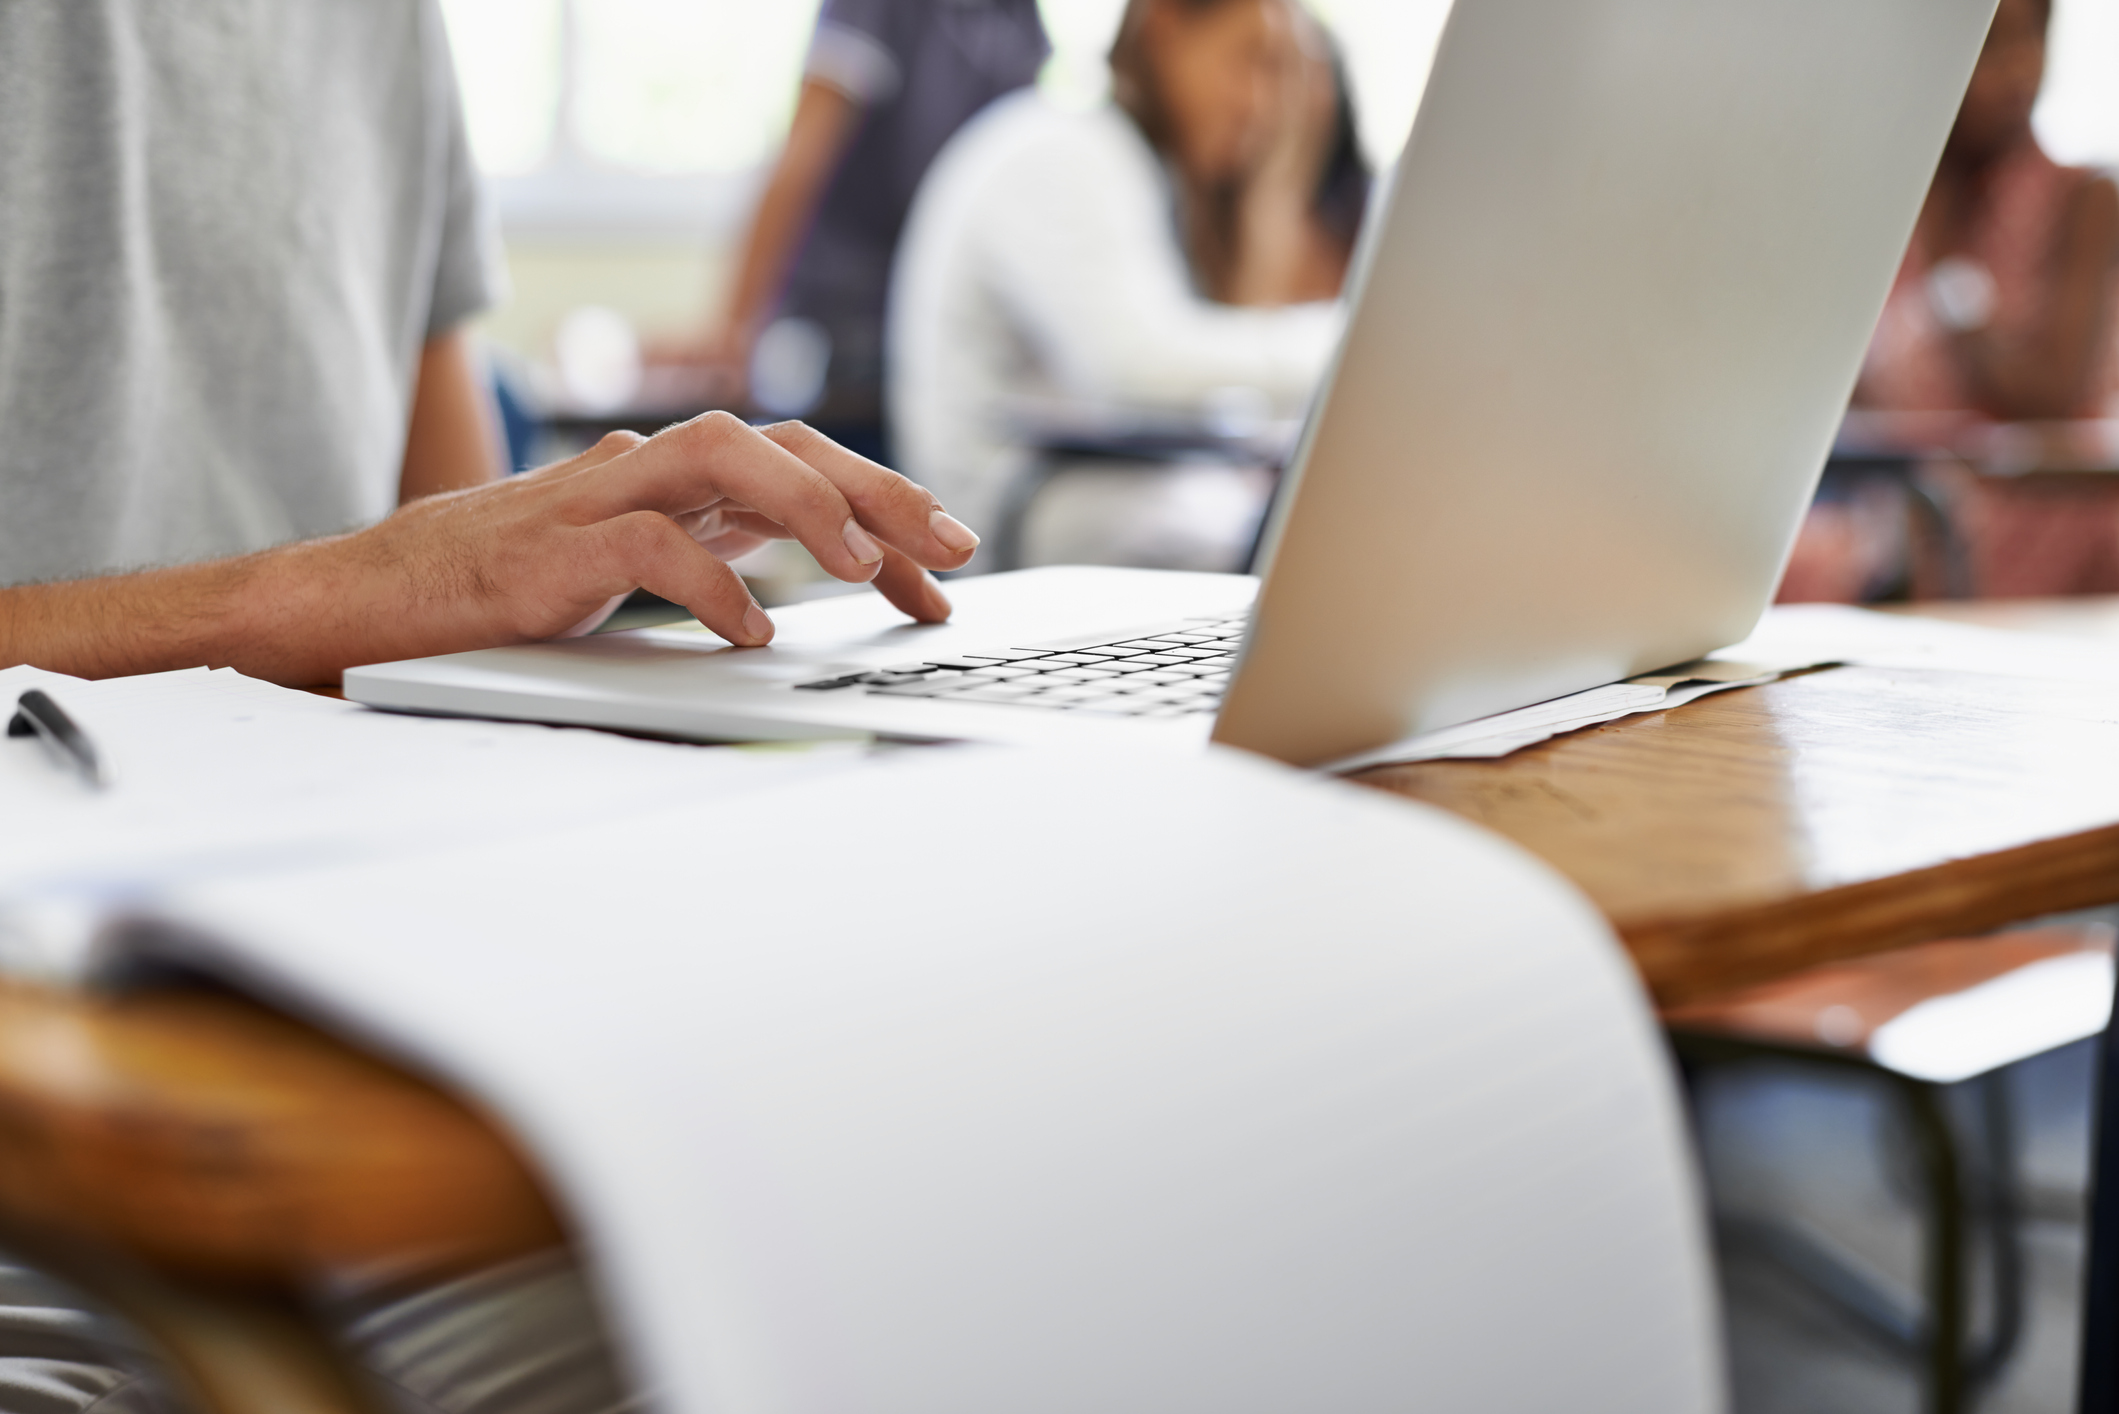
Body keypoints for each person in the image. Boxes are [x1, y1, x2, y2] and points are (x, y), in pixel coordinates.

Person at [887, 0, 1366, 568]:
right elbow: (1138, 369)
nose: (1262, 105)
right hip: (1013, 513)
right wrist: (1353, 347)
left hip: (1090, 491)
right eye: (1249, 60)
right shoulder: (1062, 151)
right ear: (1165, 29)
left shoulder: (1144, 172)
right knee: (1319, 548)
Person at [1777, 0, 2119, 602]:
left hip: (2037, 503)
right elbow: (1846, 393)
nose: (2019, 71)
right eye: (1991, 49)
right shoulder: (1894, 201)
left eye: (2032, 39)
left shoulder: (2083, 197)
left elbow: (2051, 394)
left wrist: (1949, 285)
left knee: (1819, 574)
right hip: (1896, 495)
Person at [661, 0, 1051, 463]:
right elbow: (804, 155)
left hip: (943, 330)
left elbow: (1014, 183)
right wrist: (732, 329)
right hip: (846, 335)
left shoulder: (1022, 17)